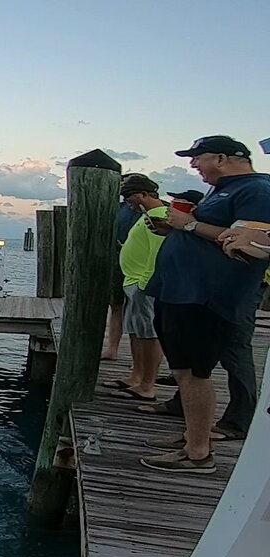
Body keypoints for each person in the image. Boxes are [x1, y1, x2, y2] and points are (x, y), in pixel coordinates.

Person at [138, 135, 270, 474]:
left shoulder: (255, 190)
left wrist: (191, 224)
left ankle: (199, 453)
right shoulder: (223, 189)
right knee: (183, 371)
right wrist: (174, 229)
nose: (193, 164)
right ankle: (192, 437)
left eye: (198, 157)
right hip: (180, 293)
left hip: (204, 297)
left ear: (223, 158)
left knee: (196, 372)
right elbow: (214, 234)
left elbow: (250, 245)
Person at [103, 175, 167, 400]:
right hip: (133, 282)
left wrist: (144, 284)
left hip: (143, 284)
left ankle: (148, 384)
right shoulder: (145, 215)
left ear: (144, 194)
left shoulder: (159, 216)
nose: (127, 201)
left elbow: (156, 255)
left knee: (149, 335)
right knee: (137, 333)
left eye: (129, 197)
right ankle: (136, 376)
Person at [102, 176, 146, 360]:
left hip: (143, 266)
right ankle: (112, 349)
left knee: (142, 311)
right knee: (116, 305)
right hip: (118, 261)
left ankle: (143, 359)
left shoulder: (155, 209)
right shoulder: (117, 208)